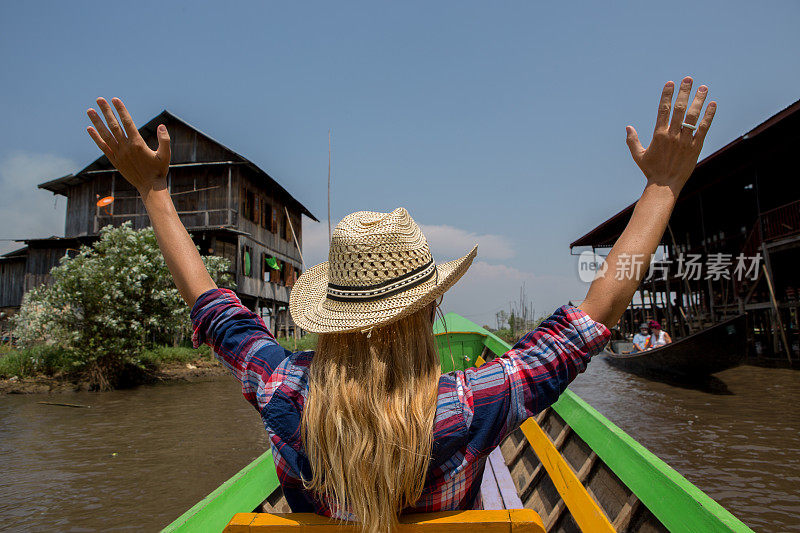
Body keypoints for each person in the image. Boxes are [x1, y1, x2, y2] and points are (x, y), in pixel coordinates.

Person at [84, 76, 715, 532]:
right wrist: (662, 188)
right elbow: (593, 319)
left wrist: (155, 192)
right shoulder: (471, 404)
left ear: (330, 315)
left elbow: (211, 304)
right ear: (425, 313)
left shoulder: (281, 389)